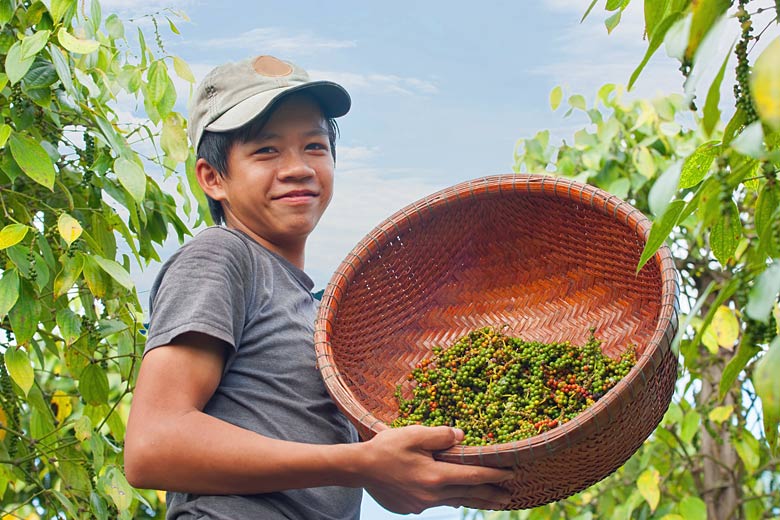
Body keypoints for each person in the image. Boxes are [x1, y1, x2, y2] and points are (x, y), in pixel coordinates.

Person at [124, 54, 513, 519]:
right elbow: (152, 445)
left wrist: (397, 472)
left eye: (314, 146)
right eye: (266, 151)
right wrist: (357, 464)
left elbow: (350, 467)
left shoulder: (318, 314)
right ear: (213, 179)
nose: (298, 168)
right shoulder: (222, 256)